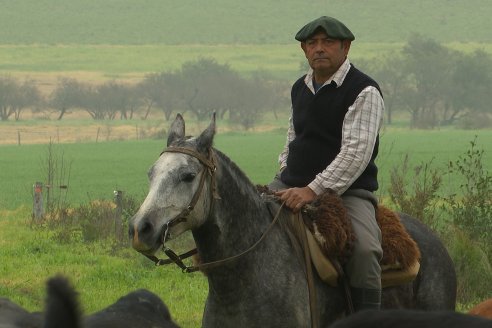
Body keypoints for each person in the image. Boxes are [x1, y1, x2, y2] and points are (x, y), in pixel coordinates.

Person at [268, 16, 384, 311]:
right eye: (312, 43)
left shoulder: (364, 91)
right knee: (250, 224)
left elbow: (355, 154)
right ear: (304, 51)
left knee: (365, 251)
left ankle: (366, 319)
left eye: (328, 42)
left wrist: (311, 189)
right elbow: (293, 138)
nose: (319, 49)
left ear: (346, 47)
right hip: (290, 184)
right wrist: (285, 170)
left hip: (347, 193)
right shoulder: (300, 88)